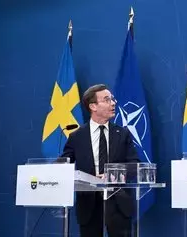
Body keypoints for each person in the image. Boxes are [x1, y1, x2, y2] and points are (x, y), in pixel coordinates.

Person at [62, 84, 138, 237]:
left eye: (112, 99)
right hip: (88, 204)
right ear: (93, 106)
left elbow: (135, 165)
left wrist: (111, 174)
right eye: (107, 99)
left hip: (118, 203)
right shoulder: (77, 136)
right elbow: (63, 165)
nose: (113, 103)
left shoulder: (122, 134)